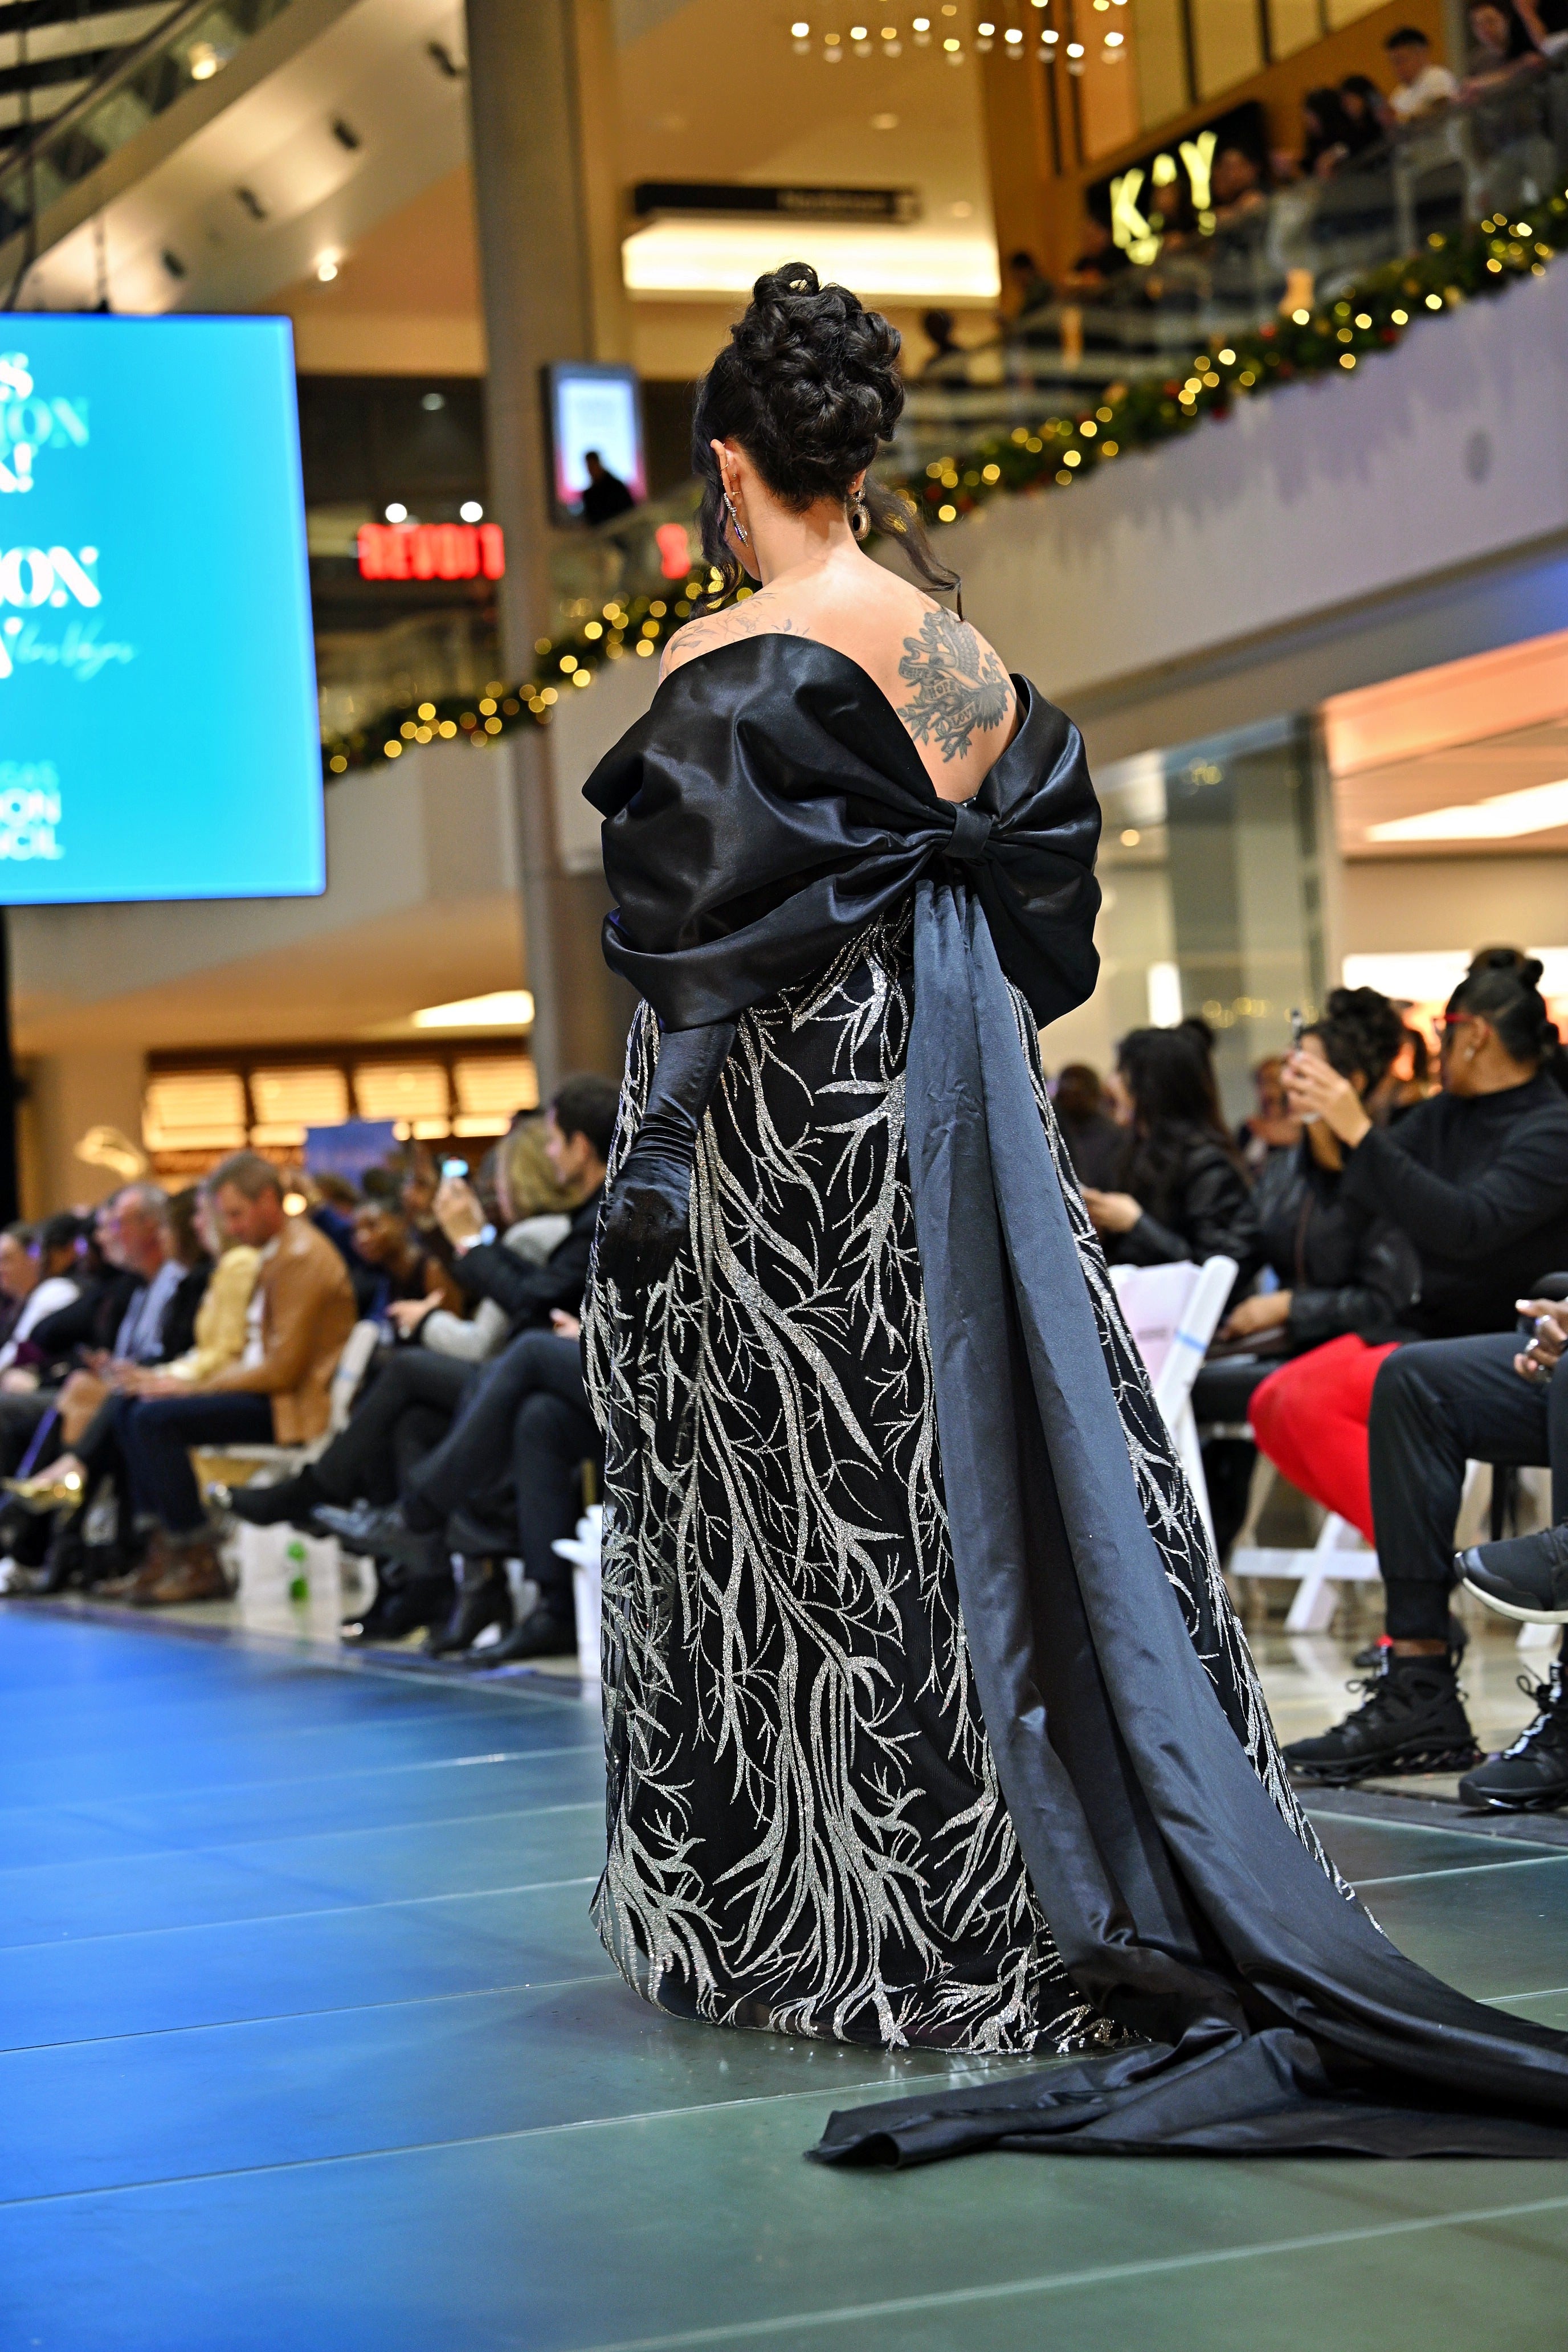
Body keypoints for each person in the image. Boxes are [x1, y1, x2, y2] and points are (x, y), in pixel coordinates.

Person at [575, 260, 1568, 2161]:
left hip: (793, 1126)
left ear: (724, 462)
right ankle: (1038, 1868)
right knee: (984, 1464)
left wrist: (652, 1164)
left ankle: (834, 1905)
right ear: (855, 453)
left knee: (809, 1484)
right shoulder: (952, 650)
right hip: (951, 1089)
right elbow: (1040, 897)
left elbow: (691, 950)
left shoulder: (715, 656)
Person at [1268, 953, 1568, 1782]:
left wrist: (1356, 1127)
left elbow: (1465, 1226)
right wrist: (1326, 1116)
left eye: (1444, 1029)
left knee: (1415, 1372)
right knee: (1412, 1378)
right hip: (1455, 1341)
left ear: (1471, 1035)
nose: (1435, 1045)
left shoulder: (1550, 1125)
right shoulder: (1441, 1118)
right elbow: (1366, 1187)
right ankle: (1421, 1683)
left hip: (1515, 1337)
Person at [230, 1078, 614, 1584]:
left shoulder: (560, 1227)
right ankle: (445, 1584)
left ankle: (392, 1516)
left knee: (498, 1359)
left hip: (576, 1371)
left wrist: (466, 1252)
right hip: (554, 1373)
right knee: (430, 1410)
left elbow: (523, 1308)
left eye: (553, 1138)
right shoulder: (583, 1219)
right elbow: (538, 1299)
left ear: (578, 1147)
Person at [1194, 990, 1419, 1557]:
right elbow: (1231, 1254)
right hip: (1302, 1347)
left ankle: (1416, 1559)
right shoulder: (1283, 1170)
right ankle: (1409, 1553)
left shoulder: (1390, 1165)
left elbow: (1387, 1300)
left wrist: (1288, 1306)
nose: (1288, 1082)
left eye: (1306, 1069)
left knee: (1291, 1398)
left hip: (1383, 1338)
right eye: (1290, 1066)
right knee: (1266, 1401)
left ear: (1354, 1082)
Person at [103, 1153, 357, 1606]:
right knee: (128, 1407)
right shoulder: (275, 1253)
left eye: (237, 1215)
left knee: (153, 1420)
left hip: (289, 1404)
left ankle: (198, 1556)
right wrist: (173, 1382)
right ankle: (163, 1548)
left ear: (267, 1200)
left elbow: (283, 1370)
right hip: (266, 1391)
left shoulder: (300, 1257)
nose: (232, 1229)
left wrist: (193, 1387)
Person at [1079, 1024, 1257, 1283]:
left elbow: (1214, 1273)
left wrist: (1136, 1224)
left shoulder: (1208, 1165)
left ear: (1151, 1085)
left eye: (1121, 1071)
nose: (1110, 1082)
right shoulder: (1130, 1152)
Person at [1051, 1063, 1123, 1191]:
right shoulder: (1051, 1130)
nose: (1073, 1097)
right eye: (1068, 1089)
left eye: (1080, 1093)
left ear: (1095, 1095)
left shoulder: (1113, 1135)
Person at [1238, 1054, 1301, 1175]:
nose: (1267, 1092)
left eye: (1274, 1082)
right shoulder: (1249, 1129)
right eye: (1262, 1083)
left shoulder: (1301, 1132)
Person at [1385, 24, 1459, 120]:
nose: (1397, 68)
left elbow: (1442, 110)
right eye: (1393, 63)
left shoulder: (1437, 76)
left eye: (1401, 60)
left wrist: (1405, 119)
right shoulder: (1398, 96)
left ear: (1421, 54)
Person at [579, 450, 636, 527]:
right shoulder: (589, 494)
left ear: (598, 464)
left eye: (592, 465)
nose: (590, 470)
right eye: (588, 466)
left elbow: (629, 513)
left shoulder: (616, 487)